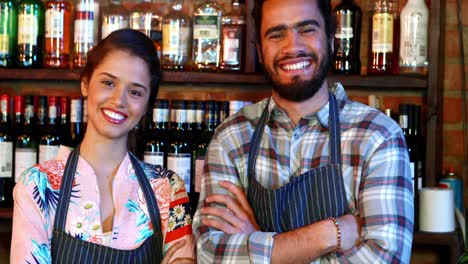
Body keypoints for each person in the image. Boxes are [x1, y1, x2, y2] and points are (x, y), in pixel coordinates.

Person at [193, 0, 414, 263]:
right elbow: (210, 254)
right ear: (260, 52)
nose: (292, 46)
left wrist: (259, 242)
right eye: (277, 34)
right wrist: (327, 235)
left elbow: (386, 258)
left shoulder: (377, 135)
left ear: (331, 41)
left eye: (307, 30)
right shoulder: (231, 137)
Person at [10, 29, 195, 263]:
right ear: (85, 84)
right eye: (108, 82)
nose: (119, 100)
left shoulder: (168, 190)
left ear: (147, 105)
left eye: (135, 92)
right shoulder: (38, 186)